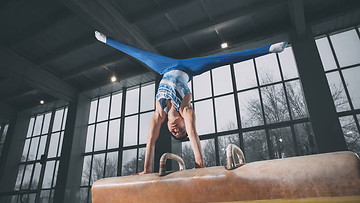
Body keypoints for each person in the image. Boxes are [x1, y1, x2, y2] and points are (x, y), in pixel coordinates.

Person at [95, 31, 287, 174]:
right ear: (184, 124)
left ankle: (108, 40)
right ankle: (269, 49)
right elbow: (193, 133)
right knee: (221, 59)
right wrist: (199, 163)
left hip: (163, 68)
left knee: (141, 55)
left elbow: (150, 141)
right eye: (180, 129)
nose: (175, 129)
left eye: (174, 132)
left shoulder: (159, 114)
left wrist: (146, 170)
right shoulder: (186, 110)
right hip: (188, 69)